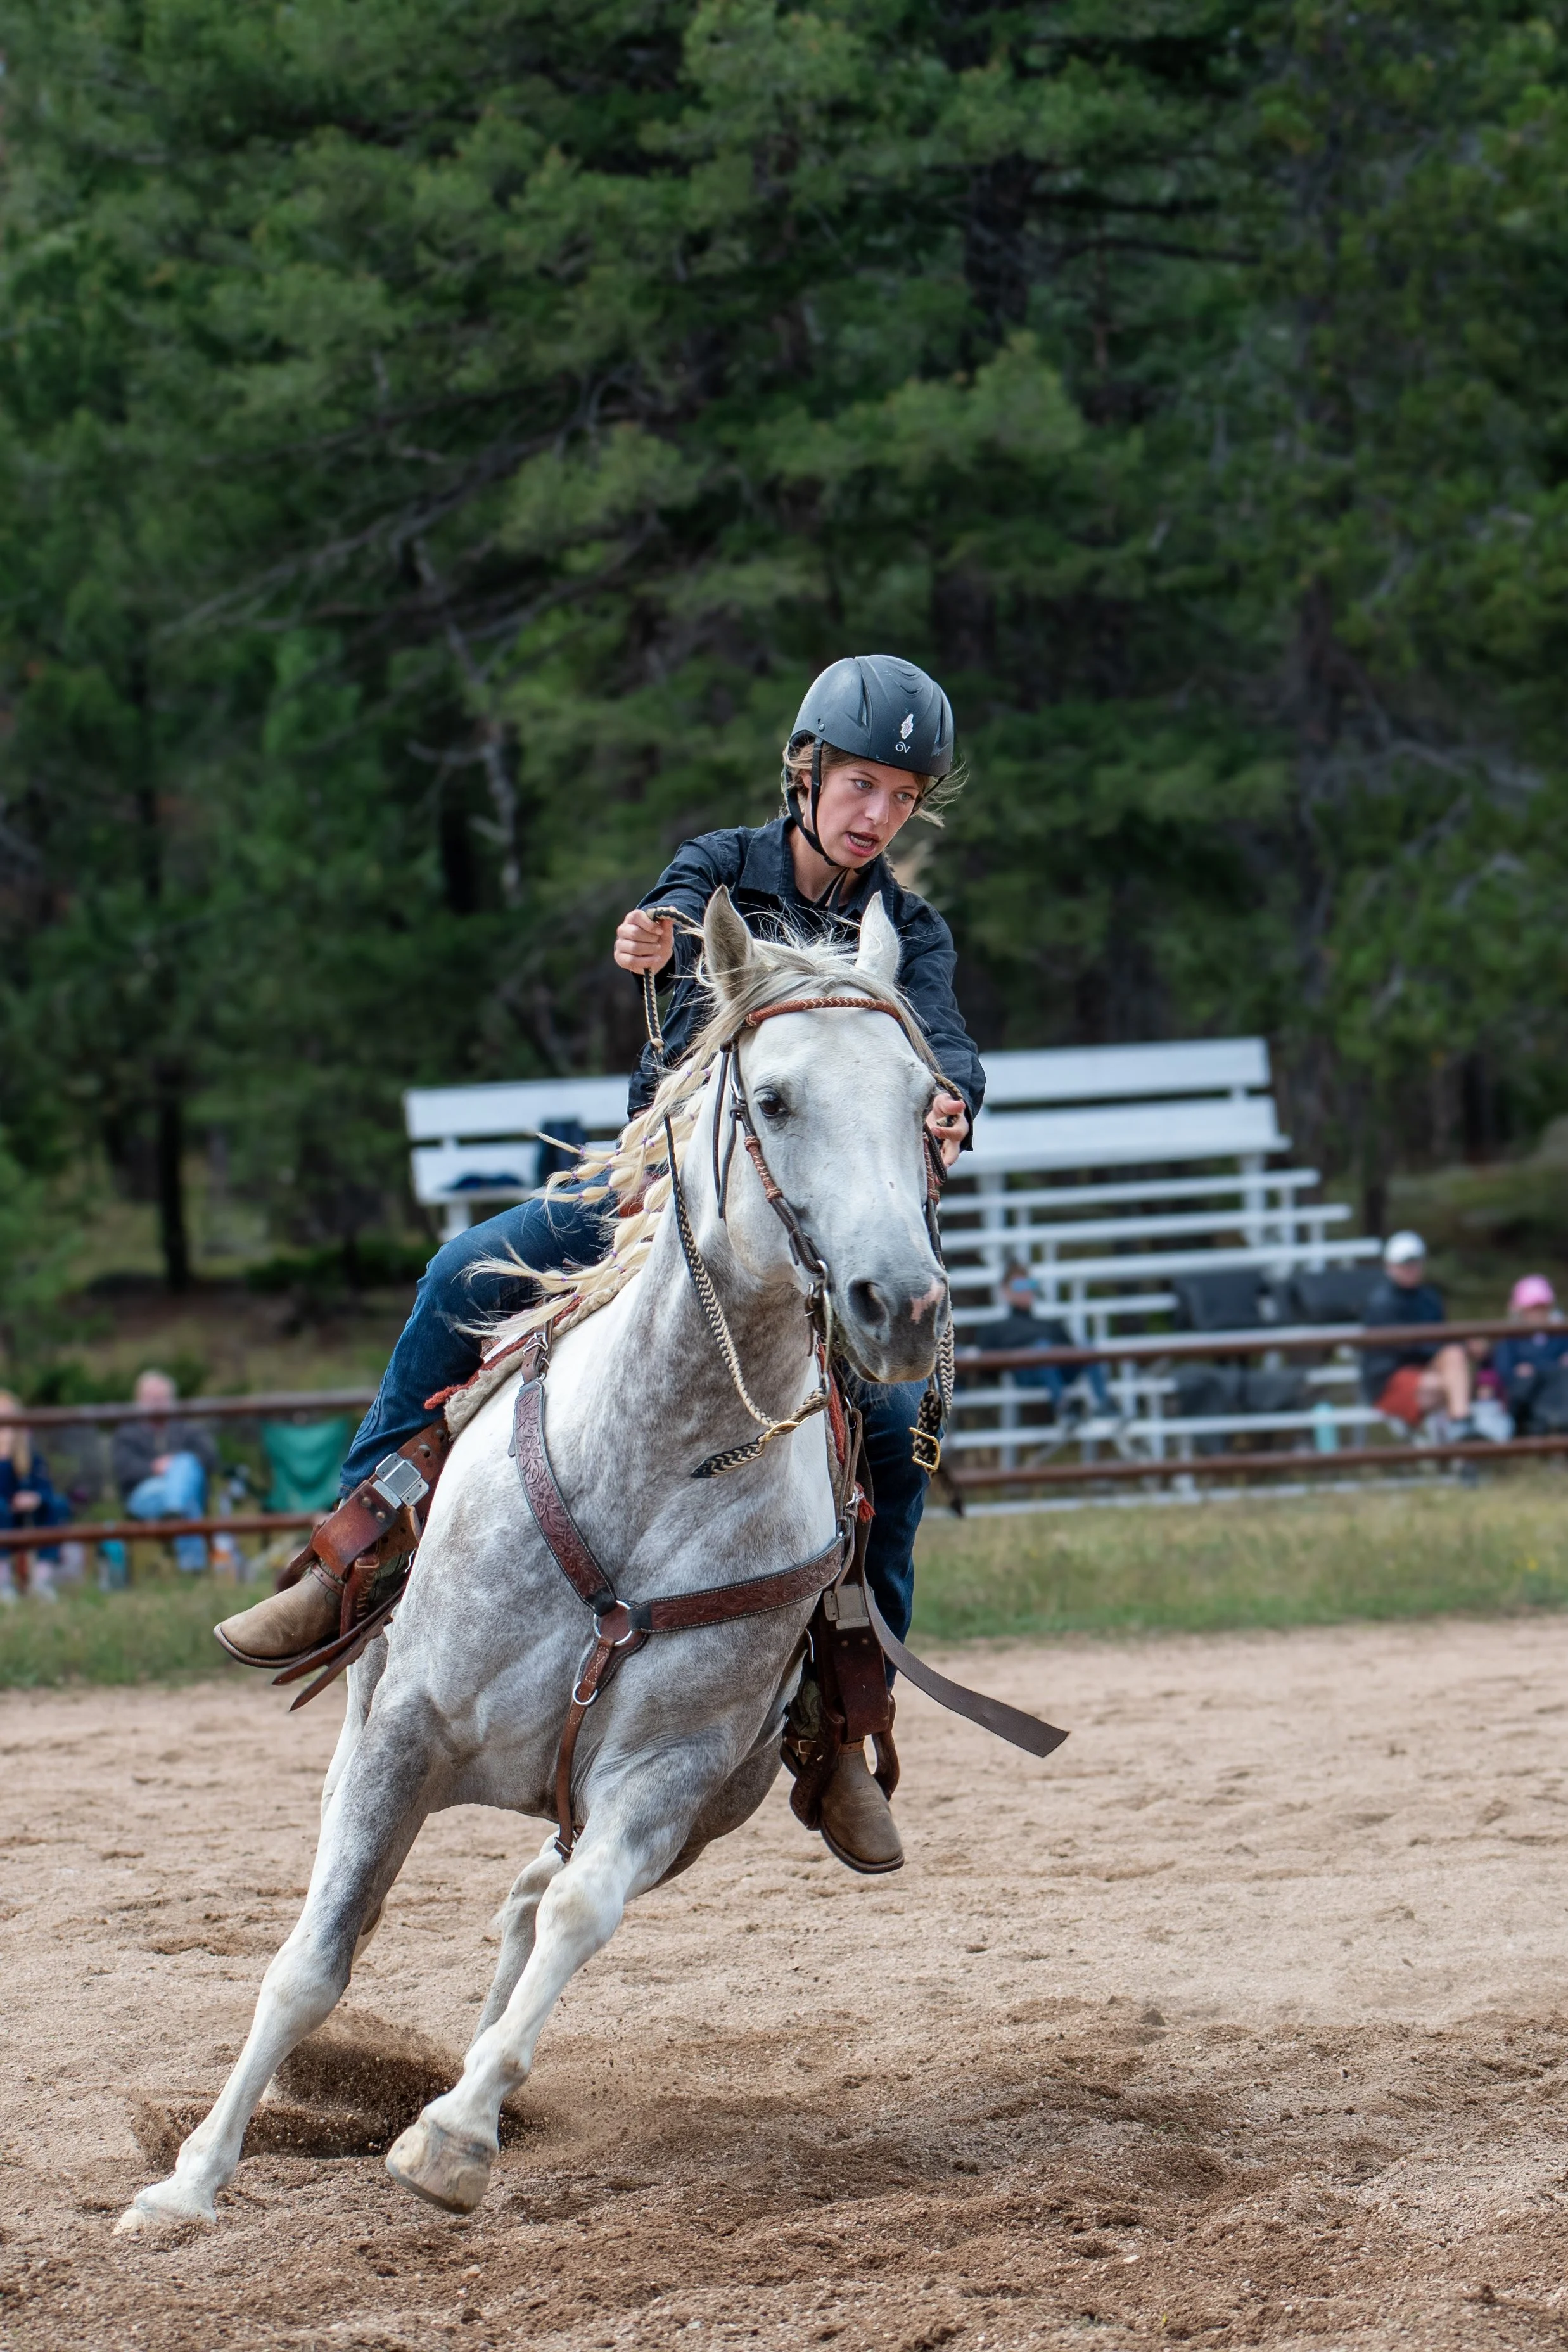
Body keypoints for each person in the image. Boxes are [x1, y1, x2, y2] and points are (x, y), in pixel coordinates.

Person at [219, 655, 985, 1874]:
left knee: (889, 1433)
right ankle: (358, 1546)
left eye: (900, 795)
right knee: (463, 1275)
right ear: (806, 773)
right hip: (654, 1192)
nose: (874, 812)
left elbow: (947, 1048)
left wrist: (948, 1099)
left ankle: (846, 1722)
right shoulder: (720, 866)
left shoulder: (912, 933)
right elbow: (672, 919)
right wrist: (651, 938)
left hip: (806, 1234)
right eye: (857, 781)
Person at [1360, 1232, 1474, 1438]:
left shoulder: (1430, 1299)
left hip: (1426, 1371)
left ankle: (1460, 1430)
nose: (1411, 1269)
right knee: (1453, 1383)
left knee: (1455, 1356)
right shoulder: (1381, 1303)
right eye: (1405, 1263)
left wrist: (1464, 1347)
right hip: (1390, 1379)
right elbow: (1402, 1349)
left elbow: (1436, 1340)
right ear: (1390, 1266)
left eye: (1414, 1262)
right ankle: (1461, 1434)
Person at [960, 1263, 1110, 1417]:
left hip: (1061, 1369)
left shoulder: (1051, 1324)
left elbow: (1071, 1351)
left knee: (1087, 1347)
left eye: (1030, 1284)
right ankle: (1064, 1409)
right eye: (1019, 1286)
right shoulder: (996, 1329)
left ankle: (1105, 1405)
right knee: (1042, 1349)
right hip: (1028, 1374)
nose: (1026, 1290)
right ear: (1006, 1291)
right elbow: (987, 1371)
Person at [112, 1369, 220, 1572]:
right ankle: (192, 1570)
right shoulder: (126, 1434)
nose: (156, 1404)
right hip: (144, 1497)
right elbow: (124, 1469)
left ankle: (175, 1509)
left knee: (186, 1464)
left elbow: (210, 1459)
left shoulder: (189, 1429)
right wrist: (154, 1467)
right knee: (185, 1494)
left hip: (188, 1494)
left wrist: (176, 1465)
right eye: (151, 1398)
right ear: (139, 1400)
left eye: (161, 1399)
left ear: (172, 1401)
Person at [0, 1393, 71, 1603]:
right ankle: (3, 1583)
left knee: (55, 1505)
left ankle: (42, 1580)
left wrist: (35, 1497)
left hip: (26, 1515)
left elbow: (44, 1486)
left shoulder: (29, 1451)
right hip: (3, 1515)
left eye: (8, 1417)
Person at [1490, 1275, 1568, 1433]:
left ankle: (1557, 1426)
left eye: (1543, 1307)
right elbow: (1504, 1371)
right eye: (1533, 1308)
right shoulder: (1510, 1338)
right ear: (1520, 1310)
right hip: (1525, 1402)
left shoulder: (1560, 1334)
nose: (1538, 1313)